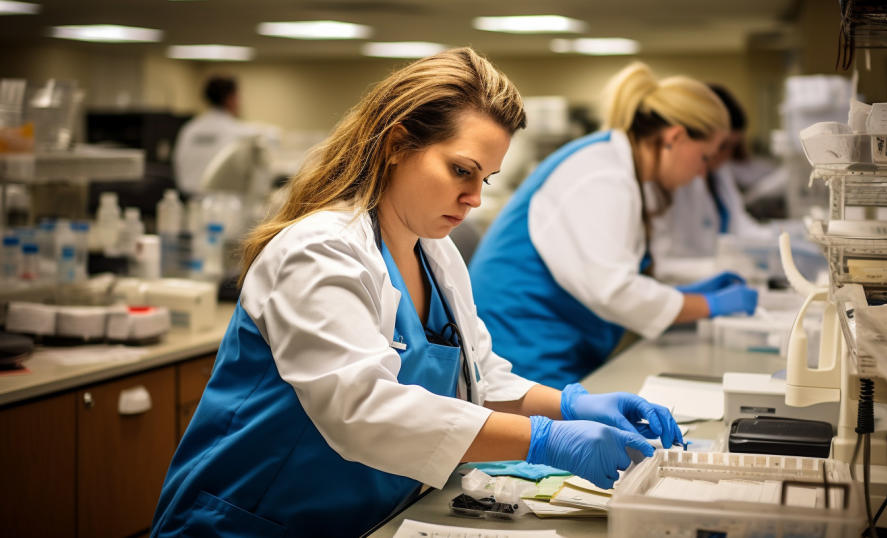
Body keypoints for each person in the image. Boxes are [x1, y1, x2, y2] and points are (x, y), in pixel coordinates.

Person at [151, 48, 683, 538]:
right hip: (249, 521)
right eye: (461, 171)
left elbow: (477, 376)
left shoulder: (435, 251)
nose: (474, 198)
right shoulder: (318, 251)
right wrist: (542, 438)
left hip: (362, 517)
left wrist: (571, 405)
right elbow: (363, 409)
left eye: (487, 179)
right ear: (397, 144)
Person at [468, 63, 758, 390]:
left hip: (553, 342)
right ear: (675, 137)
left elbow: (613, 273)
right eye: (704, 157)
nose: (702, 172)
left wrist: (687, 293)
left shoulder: (619, 168)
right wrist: (707, 305)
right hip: (522, 346)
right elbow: (614, 290)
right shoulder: (603, 176)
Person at [650, 84, 771, 260]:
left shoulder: (719, 171)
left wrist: (782, 238)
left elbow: (737, 222)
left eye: (732, 147)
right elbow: (664, 255)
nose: (724, 155)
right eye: (723, 146)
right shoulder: (675, 176)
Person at [173, 75, 262, 197]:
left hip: (188, 201)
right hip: (224, 203)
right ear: (230, 98)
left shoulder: (190, 129)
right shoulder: (241, 133)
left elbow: (178, 164)